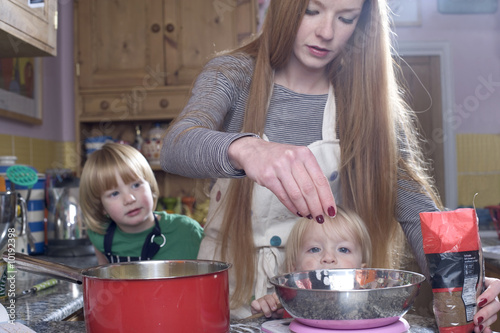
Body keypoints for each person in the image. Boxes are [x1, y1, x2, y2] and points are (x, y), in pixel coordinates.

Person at [161, 0, 500, 329]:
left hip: (324, 312)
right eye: (312, 10)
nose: (326, 32)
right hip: (230, 305)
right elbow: (176, 146)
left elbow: (417, 214)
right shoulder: (232, 75)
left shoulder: (366, 101)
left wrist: (469, 283)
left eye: (347, 18)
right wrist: (248, 150)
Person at [80, 142, 204, 265]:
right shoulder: (99, 236)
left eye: (136, 185)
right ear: (101, 206)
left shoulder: (188, 232)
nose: (129, 199)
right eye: (114, 194)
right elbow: (102, 283)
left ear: (150, 185)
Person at [251, 206, 372, 318]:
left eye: (343, 249)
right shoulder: (286, 307)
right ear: (293, 270)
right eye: (314, 249)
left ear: (363, 275)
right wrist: (267, 315)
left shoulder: (372, 310)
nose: (328, 257)